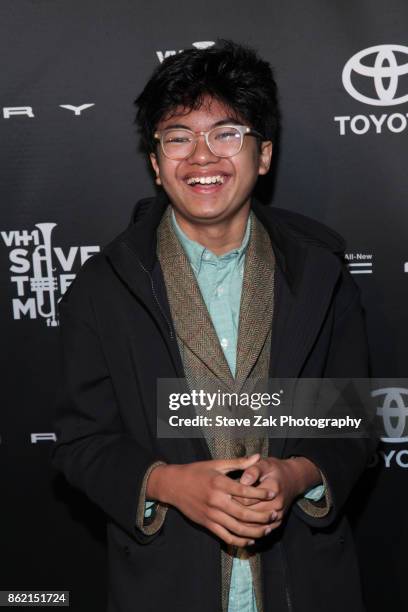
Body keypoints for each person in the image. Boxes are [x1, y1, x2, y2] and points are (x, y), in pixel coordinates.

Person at [52, 40, 376, 612]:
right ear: (156, 162)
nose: (202, 157)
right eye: (178, 137)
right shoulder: (104, 287)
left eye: (227, 133)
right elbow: (82, 443)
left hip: (305, 579)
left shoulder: (322, 273)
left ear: (264, 154)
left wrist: (297, 474)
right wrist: (168, 484)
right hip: (166, 583)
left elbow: (351, 424)